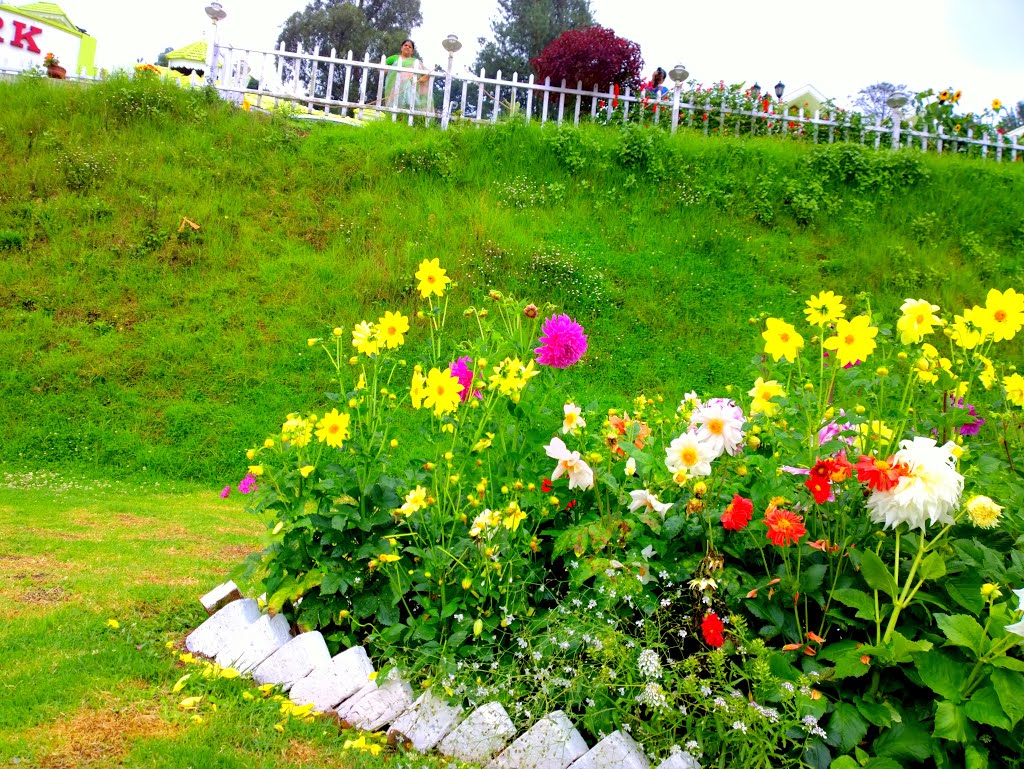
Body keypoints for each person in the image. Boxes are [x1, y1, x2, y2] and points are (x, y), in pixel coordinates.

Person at [384, 39, 430, 111]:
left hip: (410, 88)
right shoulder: (394, 58)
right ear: (401, 47)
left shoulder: (416, 62)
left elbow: (427, 74)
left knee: (409, 106)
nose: (407, 47)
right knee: (394, 107)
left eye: (410, 47)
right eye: (405, 45)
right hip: (395, 87)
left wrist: (420, 80)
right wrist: (392, 72)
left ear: (412, 51)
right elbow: (382, 68)